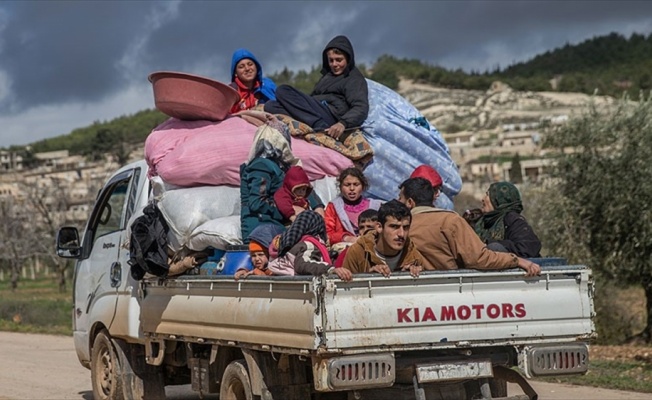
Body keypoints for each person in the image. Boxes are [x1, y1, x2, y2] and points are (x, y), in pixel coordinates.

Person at [397, 178, 540, 276]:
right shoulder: (452, 221)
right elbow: (479, 257)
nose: (483, 199)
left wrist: (494, 247)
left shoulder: (394, 227)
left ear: (410, 202)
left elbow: (478, 256)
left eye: (488, 195)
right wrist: (515, 261)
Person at [264, 35, 368, 140]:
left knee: (283, 90)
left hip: (331, 115)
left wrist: (343, 123)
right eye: (331, 60)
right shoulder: (328, 77)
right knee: (271, 106)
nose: (334, 64)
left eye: (339, 60)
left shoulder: (354, 78)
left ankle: (319, 126)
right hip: (316, 110)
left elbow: (360, 107)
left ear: (348, 59)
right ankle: (311, 122)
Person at [239, 123, 297, 241]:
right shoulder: (262, 165)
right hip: (261, 230)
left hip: (271, 225)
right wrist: (289, 210)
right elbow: (258, 202)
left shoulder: (277, 166)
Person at [341, 200, 428, 278]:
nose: (401, 234)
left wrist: (413, 277)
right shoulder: (358, 252)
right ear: (379, 227)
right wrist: (369, 277)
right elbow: (347, 290)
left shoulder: (413, 256)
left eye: (405, 227)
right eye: (394, 227)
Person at [271, 210, 352, 281]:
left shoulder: (294, 243)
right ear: (319, 228)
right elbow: (304, 263)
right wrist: (330, 269)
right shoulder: (308, 244)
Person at [471, 182, 542, 258]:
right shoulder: (482, 223)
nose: (483, 199)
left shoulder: (513, 221)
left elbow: (528, 249)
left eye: (487, 195)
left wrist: (490, 244)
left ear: (498, 200)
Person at [324, 168, 382, 245]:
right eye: (347, 185)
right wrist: (347, 238)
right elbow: (327, 232)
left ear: (363, 186)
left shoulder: (375, 206)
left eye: (356, 184)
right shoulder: (334, 206)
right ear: (340, 187)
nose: (352, 188)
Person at [229, 48, 277, 114]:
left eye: (250, 64)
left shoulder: (267, 85)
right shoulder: (232, 92)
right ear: (235, 73)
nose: (247, 69)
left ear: (256, 67)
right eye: (241, 67)